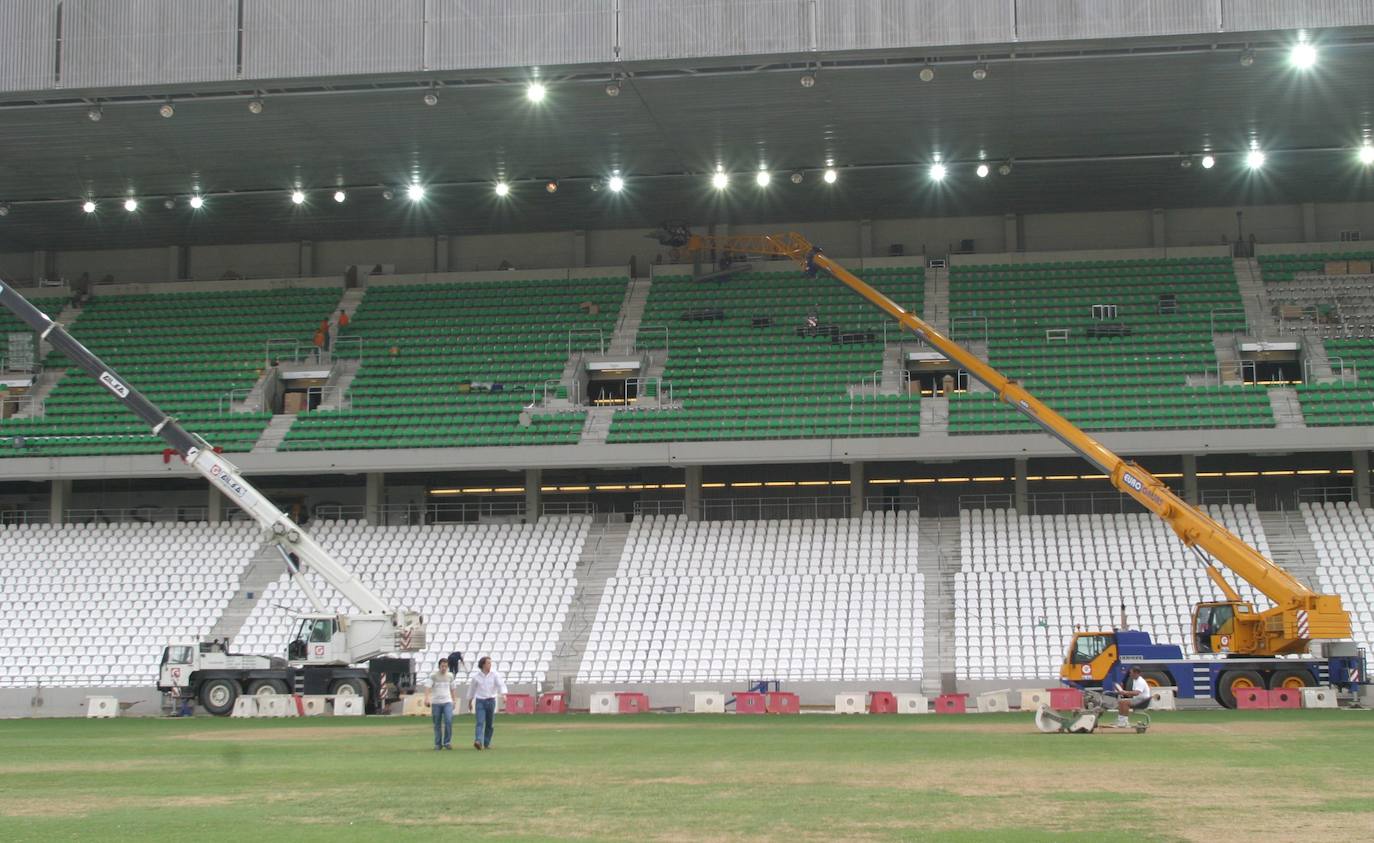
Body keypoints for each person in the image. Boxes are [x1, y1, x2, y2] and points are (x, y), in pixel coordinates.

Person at [466, 656, 508, 750]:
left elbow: (500, 684)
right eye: (488, 663)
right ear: (483, 665)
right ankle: (478, 741)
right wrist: (470, 701)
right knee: (480, 722)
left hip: (491, 700)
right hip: (480, 701)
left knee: (490, 724)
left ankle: (487, 742)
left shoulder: (494, 674)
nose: (490, 664)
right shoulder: (476, 677)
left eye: (490, 663)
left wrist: (504, 695)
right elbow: (472, 690)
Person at [422, 658, 459, 750]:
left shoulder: (450, 676)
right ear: (439, 666)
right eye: (442, 666)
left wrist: (454, 700)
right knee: (437, 724)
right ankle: (438, 744)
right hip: (436, 703)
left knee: (448, 721)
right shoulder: (433, 676)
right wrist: (426, 698)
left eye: (446, 666)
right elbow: (427, 687)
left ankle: (447, 742)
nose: (444, 668)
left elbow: (453, 688)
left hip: (447, 702)